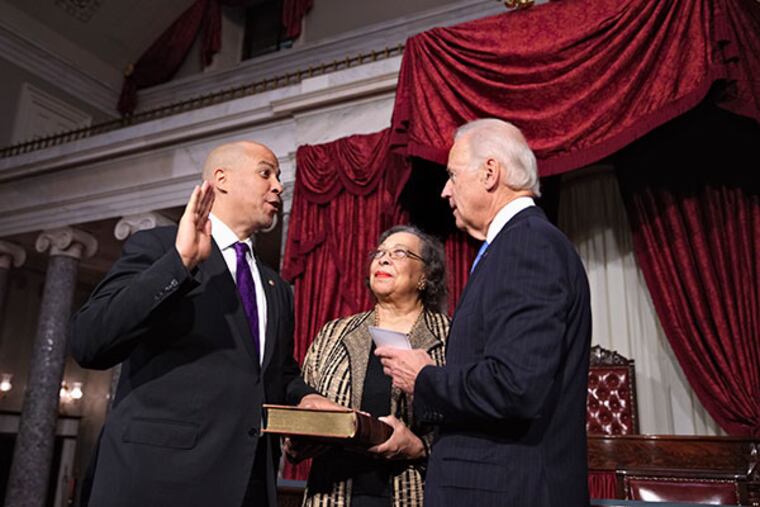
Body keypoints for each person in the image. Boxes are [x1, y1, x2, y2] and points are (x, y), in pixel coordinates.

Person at [70, 141, 327, 507]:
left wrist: (306, 397)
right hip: (157, 481)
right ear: (221, 179)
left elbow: (276, 373)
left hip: (248, 484)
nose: (278, 187)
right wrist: (180, 262)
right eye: (265, 173)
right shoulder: (160, 247)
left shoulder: (276, 287)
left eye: (278, 177)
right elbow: (89, 341)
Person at [376, 119, 592, 507]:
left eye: (453, 176)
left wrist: (424, 377)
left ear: (490, 173)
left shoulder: (527, 246)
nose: (445, 191)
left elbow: (514, 387)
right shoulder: (513, 246)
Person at [291, 225, 449, 507]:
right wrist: (299, 439)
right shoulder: (334, 333)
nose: (383, 259)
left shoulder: (452, 337)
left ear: (425, 276)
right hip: (332, 494)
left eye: (399, 253)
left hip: (413, 494)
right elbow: (304, 404)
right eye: (380, 253)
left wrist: (420, 448)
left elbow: (472, 422)